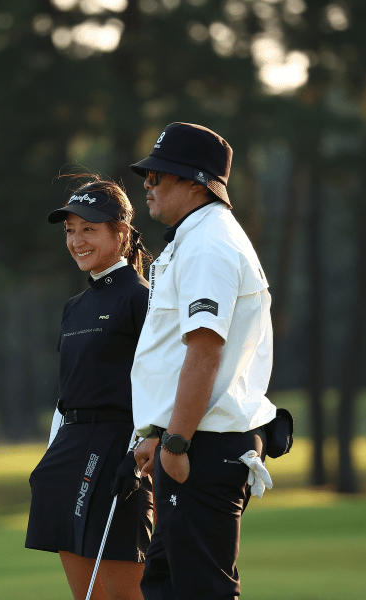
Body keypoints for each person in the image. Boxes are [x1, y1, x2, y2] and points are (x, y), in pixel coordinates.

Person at [128, 122, 290, 600]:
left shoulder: (208, 245)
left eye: (158, 176)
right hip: (192, 439)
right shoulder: (195, 237)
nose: (148, 185)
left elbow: (204, 352)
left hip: (202, 444)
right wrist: (159, 433)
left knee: (202, 592)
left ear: (196, 182)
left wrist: (175, 442)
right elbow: (177, 354)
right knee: (165, 587)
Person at [26, 175, 155, 600]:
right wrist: (50, 456)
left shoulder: (142, 298)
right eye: (70, 230)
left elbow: (160, 383)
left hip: (118, 452)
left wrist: (142, 454)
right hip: (68, 453)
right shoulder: (74, 307)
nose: (76, 241)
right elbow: (67, 394)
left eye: (89, 229)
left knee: (125, 595)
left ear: (121, 233)